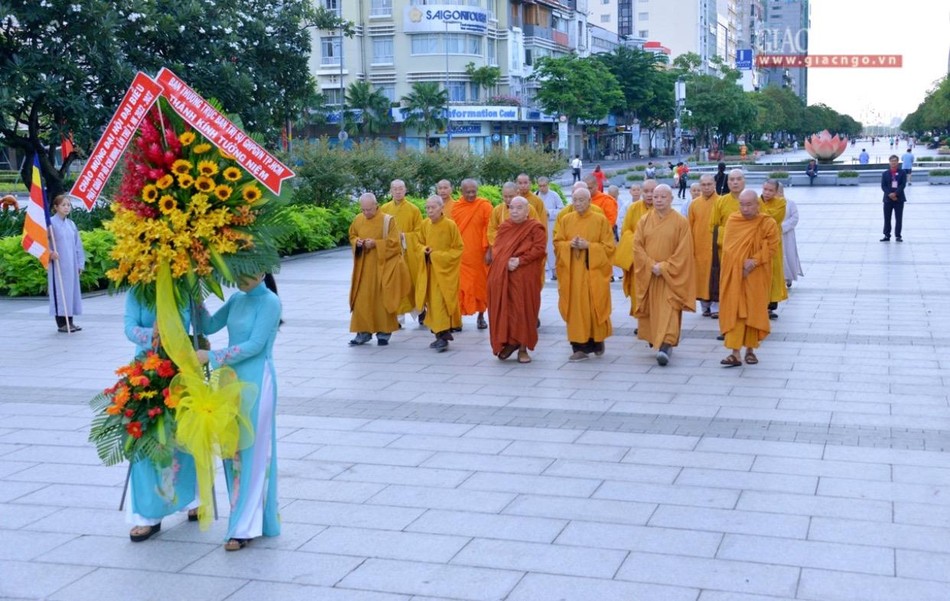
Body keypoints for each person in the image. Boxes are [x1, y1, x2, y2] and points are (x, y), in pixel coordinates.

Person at [197, 272, 282, 551]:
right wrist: (193, 295)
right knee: (232, 451)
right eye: (238, 272)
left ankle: (243, 527)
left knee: (252, 452)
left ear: (262, 270)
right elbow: (208, 326)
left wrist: (213, 356)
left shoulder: (270, 302)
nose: (241, 278)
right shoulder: (236, 299)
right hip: (230, 381)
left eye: (248, 272)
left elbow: (255, 346)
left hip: (258, 381)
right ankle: (245, 518)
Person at [123, 291, 198, 542]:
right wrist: (153, 336)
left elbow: (200, 326)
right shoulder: (137, 290)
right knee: (146, 439)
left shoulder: (183, 289)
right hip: (145, 369)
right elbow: (129, 327)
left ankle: (193, 499)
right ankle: (148, 515)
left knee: (184, 438)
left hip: (179, 368)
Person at [633, 184, 695, 366]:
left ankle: (666, 345)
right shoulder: (644, 220)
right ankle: (657, 340)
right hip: (650, 275)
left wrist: (666, 267)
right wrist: (651, 265)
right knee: (653, 311)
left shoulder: (681, 222)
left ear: (671, 199)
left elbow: (684, 251)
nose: (658, 200)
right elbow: (637, 247)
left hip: (670, 277)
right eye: (656, 196)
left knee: (669, 309)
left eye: (663, 197)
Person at [718, 190, 779, 367]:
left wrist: (755, 261)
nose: (745, 208)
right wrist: (739, 267)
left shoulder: (767, 222)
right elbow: (728, 249)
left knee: (754, 310)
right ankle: (735, 353)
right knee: (736, 310)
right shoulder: (733, 220)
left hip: (757, 274)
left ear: (757, 204)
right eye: (742, 204)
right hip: (736, 274)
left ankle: (750, 350)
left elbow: (772, 247)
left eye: (749, 204)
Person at [555, 187, 615, 362]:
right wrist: (569, 245)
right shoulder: (566, 220)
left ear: (589, 201)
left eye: (582, 200)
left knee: (594, 307)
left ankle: (597, 342)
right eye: (575, 200)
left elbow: (609, 247)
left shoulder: (600, 220)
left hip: (593, 274)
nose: (578, 203)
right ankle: (578, 347)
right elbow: (558, 243)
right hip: (572, 274)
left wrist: (589, 246)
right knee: (575, 309)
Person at [487, 196, 546, 364]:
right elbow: (497, 249)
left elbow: (539, 249)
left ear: (527, 211)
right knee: (507, 309)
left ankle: (522, 348)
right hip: (506, 275)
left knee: (523, 310)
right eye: (511, 207)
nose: (514, 211)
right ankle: (509, 341)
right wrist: (506, 262)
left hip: (526, 277)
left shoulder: (535, 228)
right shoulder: (505, 227)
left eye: (519, 208)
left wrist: (520, 260)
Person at [348, 193, 407, 346]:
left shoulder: (388, 220)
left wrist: (376, 244)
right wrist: (358, 243)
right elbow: (352, 235)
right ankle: (363, 333)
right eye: (363, 210)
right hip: (363, 268)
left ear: (376, 205)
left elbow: (395, 244)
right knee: (362, 301)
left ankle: (384, 333)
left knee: (382, 300)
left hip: (383, 268)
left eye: (369, 209)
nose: (366, 213)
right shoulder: (358, 219)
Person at [415, 196, 464, 352]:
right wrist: (424, 251)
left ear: (441, 207)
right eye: (427, 208)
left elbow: (458, 249)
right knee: (433, 303)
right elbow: (418, 244)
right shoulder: (424, 225)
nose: (429, 211)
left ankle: (443, 336)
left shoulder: (450, 225)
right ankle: (440, 334)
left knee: (439, 302)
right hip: (429, 271)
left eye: (433, 207)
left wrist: (436, 255)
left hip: (444, 272)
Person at [381, 180, 424, 320]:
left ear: (405, 190)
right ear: (390, 191)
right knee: (394, 285)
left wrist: (404, 236)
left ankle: (421, 310)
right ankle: (396, 318)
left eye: (400, 189)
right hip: (392, 254)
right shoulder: (384, 209)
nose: (398, 191)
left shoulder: (414, 210)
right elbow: (380, 231)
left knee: (412, 283)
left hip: (408, 254)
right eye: (395, 189)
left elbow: (420, 233)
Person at [454, 179, 493, 330]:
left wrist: (490, 250)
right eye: (467, 192)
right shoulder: (457, 208)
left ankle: (481, 317)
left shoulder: (484, 206)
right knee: (461, 287)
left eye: (473, 192)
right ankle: (458, 319)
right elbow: (453, 231)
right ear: (461, 191)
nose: (471, 195)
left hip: (479, 254)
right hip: (461, 255)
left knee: (480, 286)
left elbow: (490, 229)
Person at [615, 179, 657, 316]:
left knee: (657, 292)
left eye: (653, 191)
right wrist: (639, 240)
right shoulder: (633, 208)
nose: (650, 195)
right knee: (637, 290)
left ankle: (656, 321)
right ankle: (641, 321)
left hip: (656, 259)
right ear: (641, 192)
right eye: (646, 191)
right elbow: (625, 231)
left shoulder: (663, 208)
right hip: (637, 260)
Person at [47, 194, 85, 333]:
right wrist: (50, 252)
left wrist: (80, 263)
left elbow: (78, 245)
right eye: (63, 205)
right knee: (60, 291)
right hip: (58, 264)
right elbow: (43, 242)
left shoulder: (71, 224)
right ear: (55, 207)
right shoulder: (50, 224)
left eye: (68, 205)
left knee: (71, 292)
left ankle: (70, 322)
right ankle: (62, 323)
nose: (66, 207)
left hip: (71, 264)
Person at [688, 174, 719, 317]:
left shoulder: (721, 202)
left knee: (715, 276)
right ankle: (705, 306)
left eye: (709, 184)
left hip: (716, 246)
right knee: (701, 277)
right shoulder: (694, 204)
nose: (706, 187)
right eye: (704, 185)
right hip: (699, 246)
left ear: (714, 184)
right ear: (700, 186)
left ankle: (715, 307)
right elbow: (689, 226)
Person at [759, 180, 788, 319]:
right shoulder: (756, 201)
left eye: (771, 190)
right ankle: (760, 304)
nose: (767, 193)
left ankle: (771, 306)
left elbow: (773, 218)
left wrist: (759, 213)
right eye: (765, 189)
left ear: (776, 192)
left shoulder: (781, 203)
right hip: (757, 242)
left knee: (774, 272)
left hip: (773, 242)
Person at [537, 176, 563, 280]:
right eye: (540, 186)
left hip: (551, 224)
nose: (542, 188)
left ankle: (554, 271)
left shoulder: (554, 195)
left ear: (548, 185)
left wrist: (549, 212)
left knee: (551, 248)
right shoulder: (536, 196)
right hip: (539, 226)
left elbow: (561, 210)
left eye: (544, 186)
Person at [780, 184, 803, 287]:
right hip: (773, 235)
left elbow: (795, 218)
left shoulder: (790, 203)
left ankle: (788, 277)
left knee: (788, 255)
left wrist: (782, 227)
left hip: (787, 235)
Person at [880, 154, 907, 242]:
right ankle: (887, 235)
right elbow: (883, 186)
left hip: (899, 199)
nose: (893, 163)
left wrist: (895, 194)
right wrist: (890, 194)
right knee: (887, 218)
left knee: (898, 218)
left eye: (895, 161)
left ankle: (898, 236)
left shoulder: (902, 172)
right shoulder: (885, 173)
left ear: (897, 162)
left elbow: (903, 185)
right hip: (888, 200)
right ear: (889, 162)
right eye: (892, 161)